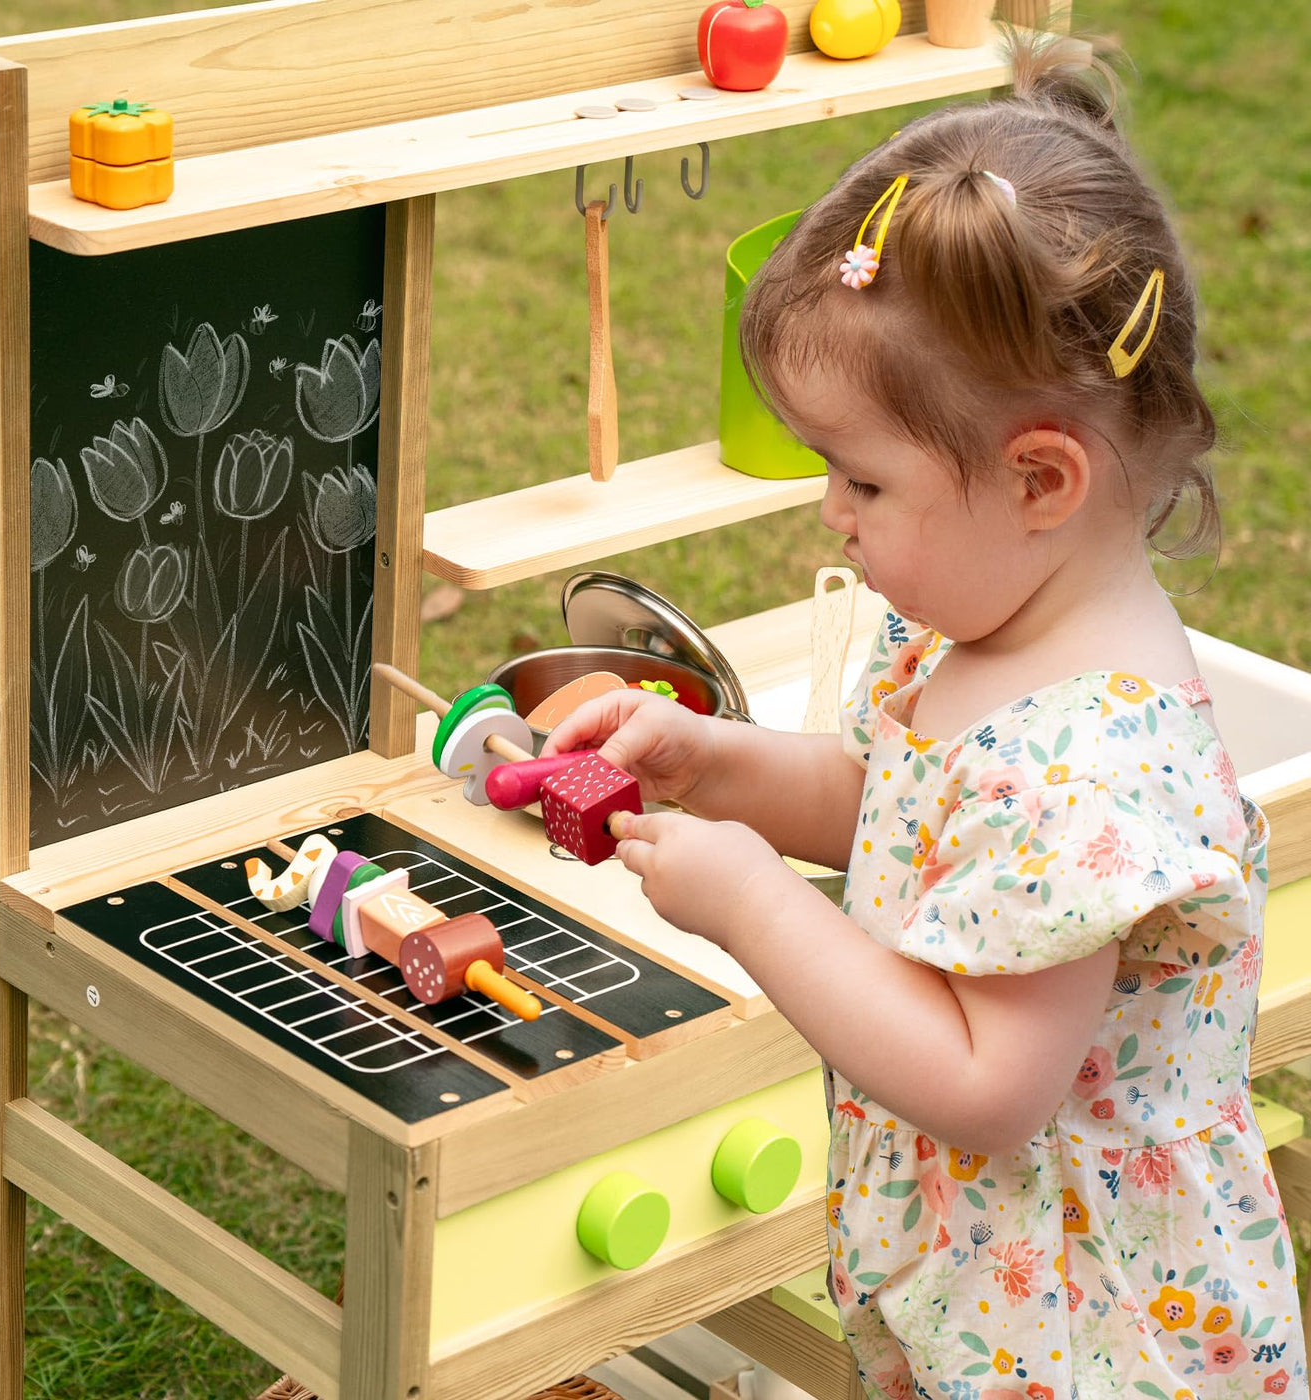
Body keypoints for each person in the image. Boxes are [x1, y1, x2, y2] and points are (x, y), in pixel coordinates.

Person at [543, 28, 1305, 1400]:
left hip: (1094, 1336)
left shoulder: (1087, 770)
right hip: (985, 1296)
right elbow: (898, 816)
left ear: (1039, 481)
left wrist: (758, 906)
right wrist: (711, 765)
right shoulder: (975, 634)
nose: (831, 512)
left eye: (864, 483)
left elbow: (985, 1080)